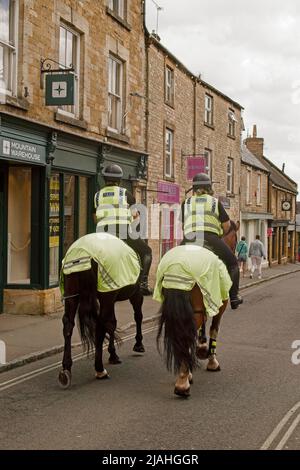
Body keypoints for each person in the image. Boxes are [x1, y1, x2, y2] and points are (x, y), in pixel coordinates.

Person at [181, 173, 243, 309]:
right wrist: (220, 232)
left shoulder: (186, 203)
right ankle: (233, 297)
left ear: (194, 188)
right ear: (209, 188)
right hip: (210, 239)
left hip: (189, 239)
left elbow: (182, 224)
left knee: (173, 260)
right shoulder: (215, 202)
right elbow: (227, 226)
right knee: (233, 263)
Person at [94, 163, 152, 296]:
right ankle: (143, 283)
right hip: (123, 231)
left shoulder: (97, 196)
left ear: (105, 179)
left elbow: (95, 218)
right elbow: (135, 214)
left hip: (102, 233)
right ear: (119, 180)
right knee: (147, 251)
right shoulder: (125, 193)